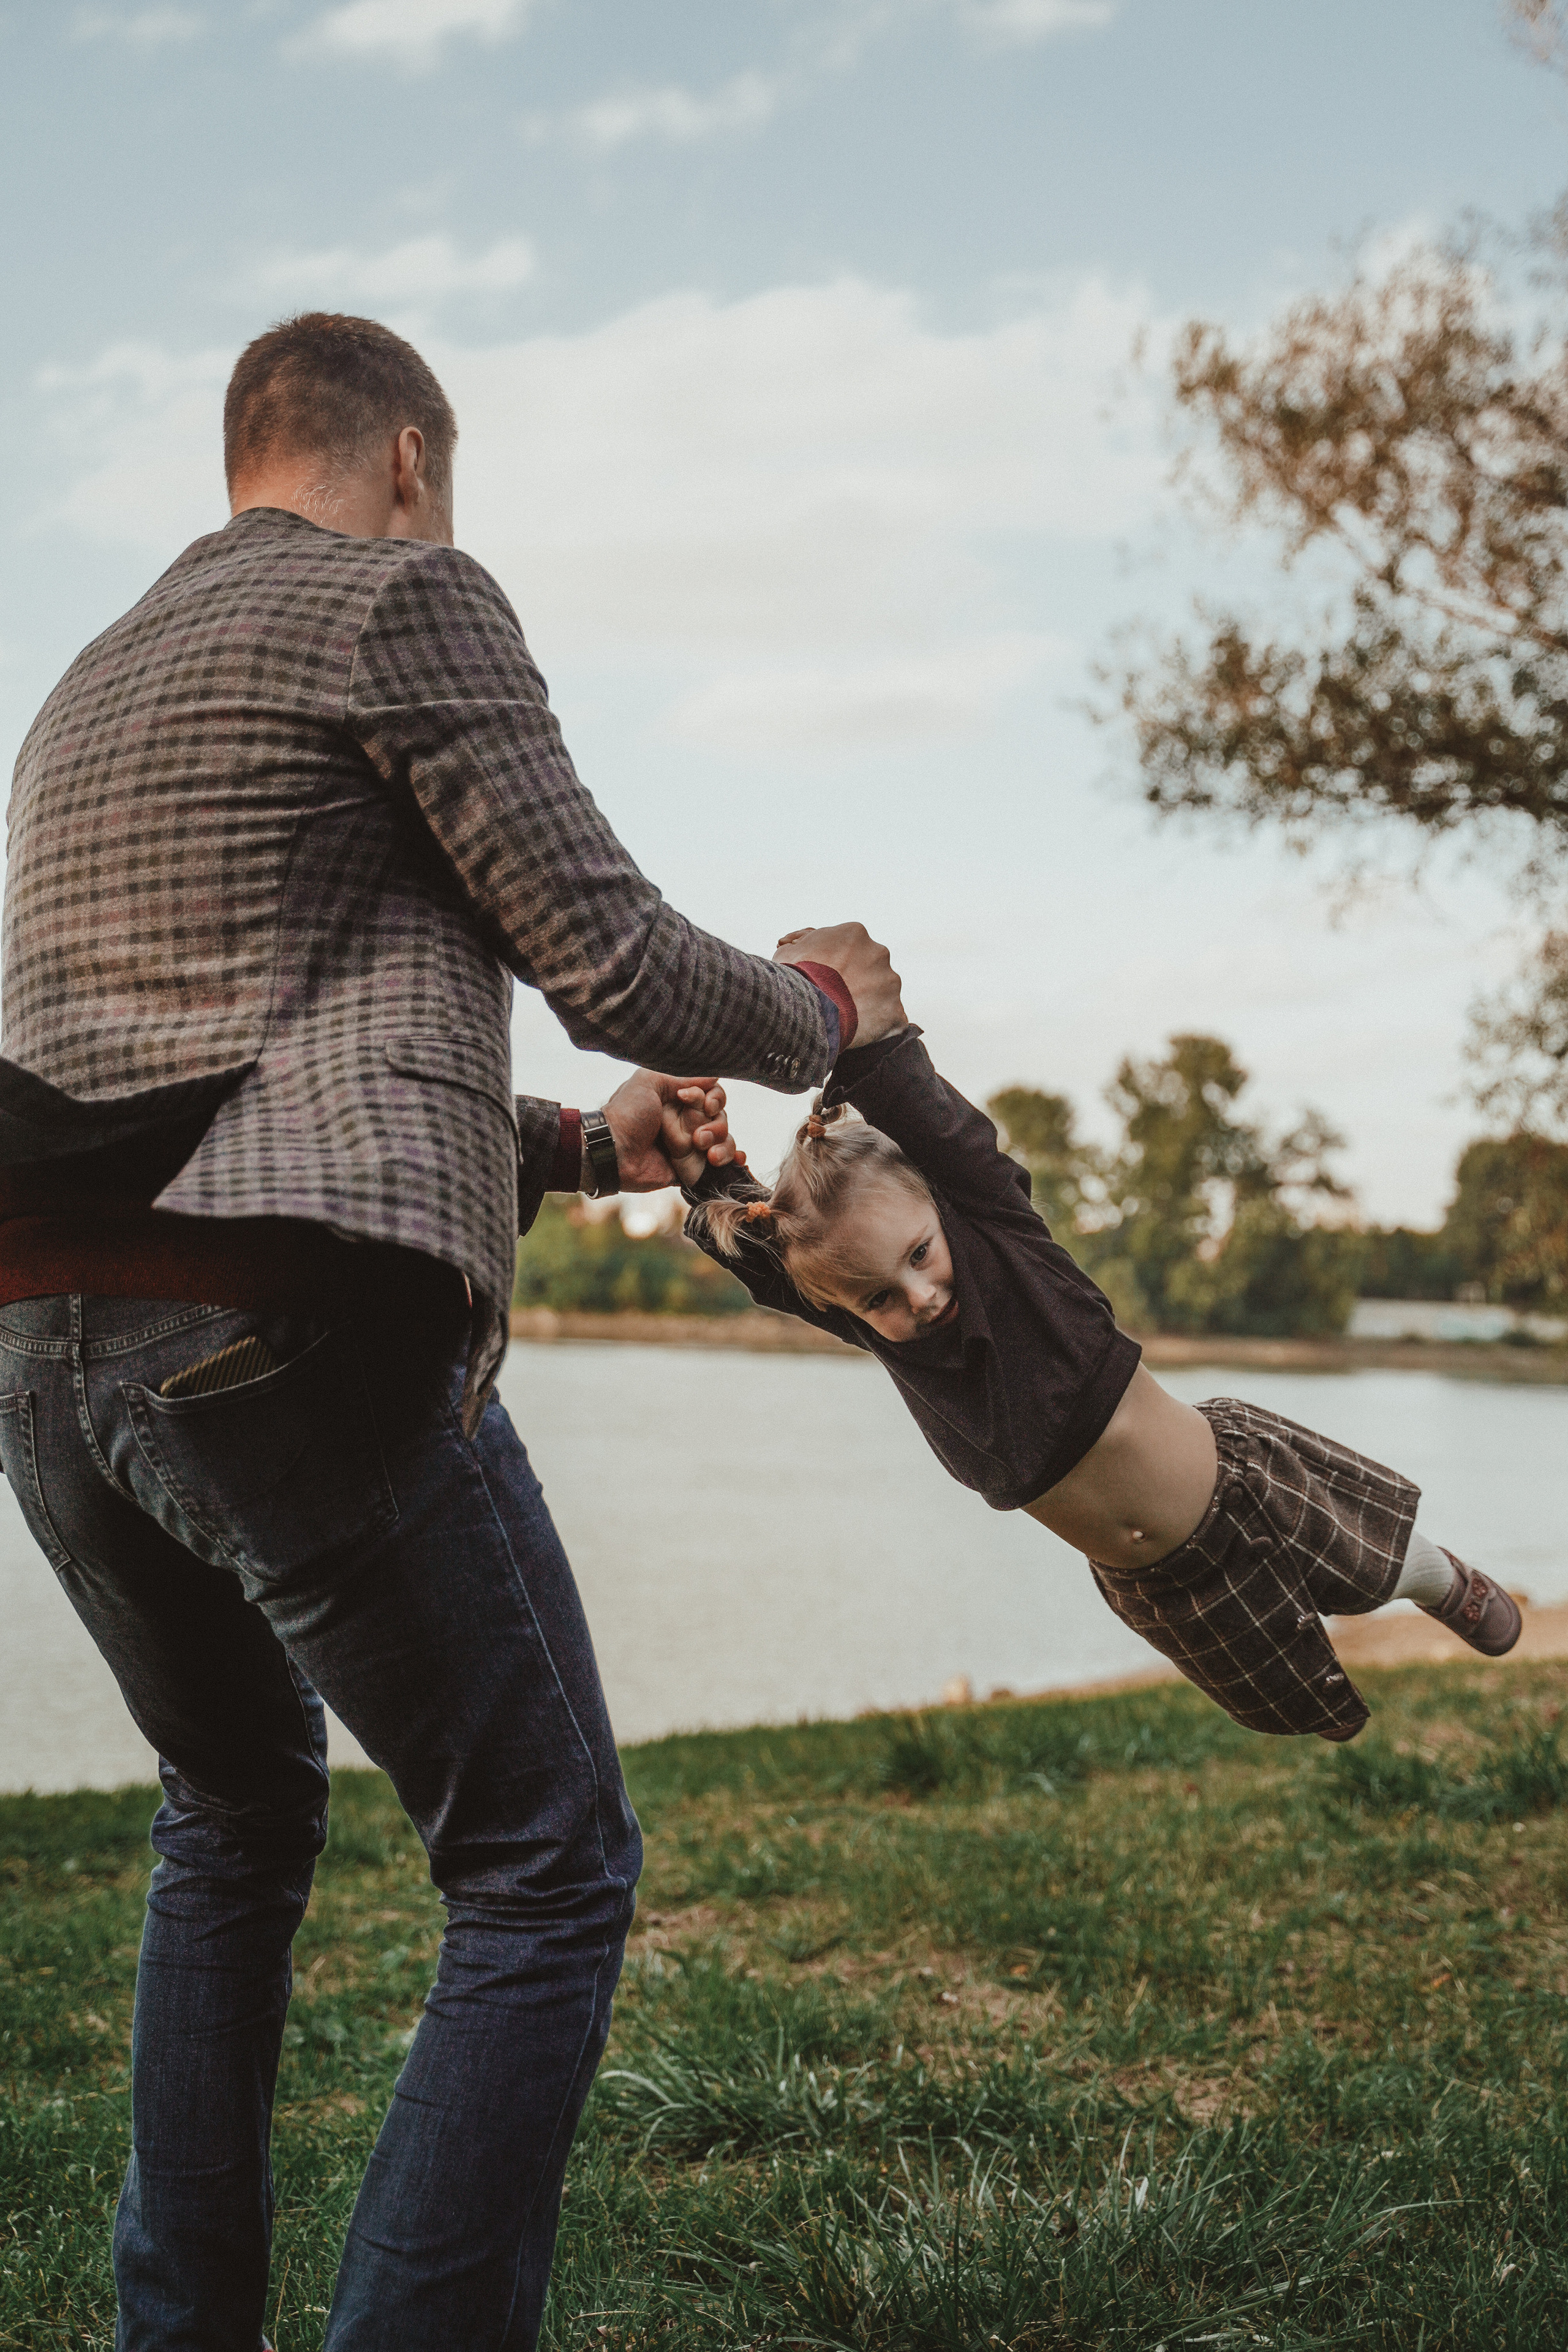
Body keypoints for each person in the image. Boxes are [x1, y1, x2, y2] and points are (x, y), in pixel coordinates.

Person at [0, 310, 905, 2350]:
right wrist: (826, 1011)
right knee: (543, 1866)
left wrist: (589, 1153)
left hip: (43, 1345)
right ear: (408, 452)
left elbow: (233, 1069)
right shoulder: (408, 594)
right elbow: (614, 958)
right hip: (285, 1332)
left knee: (229, 1816)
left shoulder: (83, 691)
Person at [665, 1023, 1521, 1744]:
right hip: (1155, 1581)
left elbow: (950, 1140)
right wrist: (708, 1176)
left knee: (1370, 1562)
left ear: (947, 1214)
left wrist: (867, 1043)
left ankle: (1444, 1581)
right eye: (880, 1296)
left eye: (922, 1254)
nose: (920, 1298)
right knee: (1296, 1705)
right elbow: (787, 1266)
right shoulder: (887, 1330)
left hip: (1242, 1485)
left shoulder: (1005, 1245)